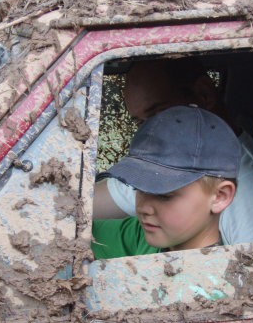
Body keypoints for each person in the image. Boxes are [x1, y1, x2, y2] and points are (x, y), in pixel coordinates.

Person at [93, 58, 253, 244]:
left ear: (203, 95)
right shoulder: (166, 168)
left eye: (159, 113)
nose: (149, 133)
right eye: (140, 122)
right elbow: (86, 203)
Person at [91, 105, 240, 259]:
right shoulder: (139, 235)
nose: (143, 208)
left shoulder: (225, 278)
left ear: (220, 196)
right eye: (137, 188)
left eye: (164, 195)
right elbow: (73, 229)